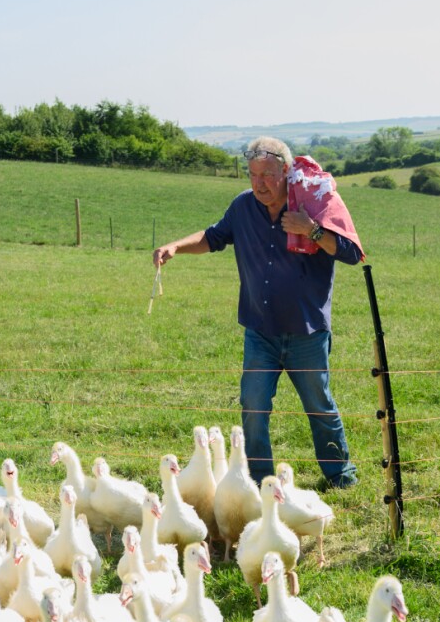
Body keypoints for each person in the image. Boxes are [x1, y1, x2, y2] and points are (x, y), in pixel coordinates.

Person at [153, 136, 363, 488]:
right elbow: (214, 236)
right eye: (252, 175)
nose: (259, 184)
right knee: (252, 405)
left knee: (319, 405)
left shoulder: (311, 203)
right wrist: (176, 246)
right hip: (260, 330)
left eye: (266, 175)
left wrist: (310, 230)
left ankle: (341, 475)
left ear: (285, 171)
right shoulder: (243, 207)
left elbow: (350, 252)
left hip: (306, 331)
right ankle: (260, 480)